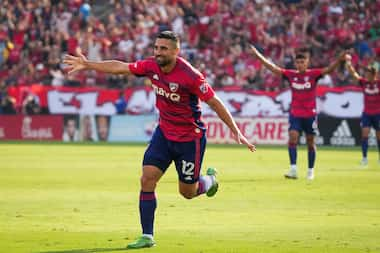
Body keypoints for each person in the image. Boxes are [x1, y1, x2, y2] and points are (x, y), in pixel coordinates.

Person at [64, 31, 256, 249]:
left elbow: (215, 102)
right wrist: (88, 65)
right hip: (164, 134)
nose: (158, 52)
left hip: (189, 139)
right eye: (156, 48)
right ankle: (147, 235)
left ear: (176, 51)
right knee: (147, 179)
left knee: (187, 193)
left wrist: (236, 131)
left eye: (163, 48)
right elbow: (121, 67)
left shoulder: (191, 76)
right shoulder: (150, 66)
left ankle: (210, 181)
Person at [249, 45, 345, 180]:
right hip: (295, 114)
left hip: (310, 115)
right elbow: (272, 68)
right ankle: (293, 169)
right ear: (295, 63)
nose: (300, 64)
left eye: (303, 62)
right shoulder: (291, 75)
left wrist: (339, 60)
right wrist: (258, 55)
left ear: (307, 62)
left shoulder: (314, 75)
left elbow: (329, 69)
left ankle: (310, 171)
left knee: (310, 142)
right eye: (298, 62)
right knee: (293, 138)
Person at [345, 54, 380, 166]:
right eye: (366, 74)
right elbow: (354, 74)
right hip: (367, 113)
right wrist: (349, 64)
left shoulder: (378, 84)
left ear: (374, 75)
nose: (366, 76)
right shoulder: (364, 83)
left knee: (379, 137)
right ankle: (364, 158)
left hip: (378, 114)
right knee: (365, 134)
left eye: (368, 74)